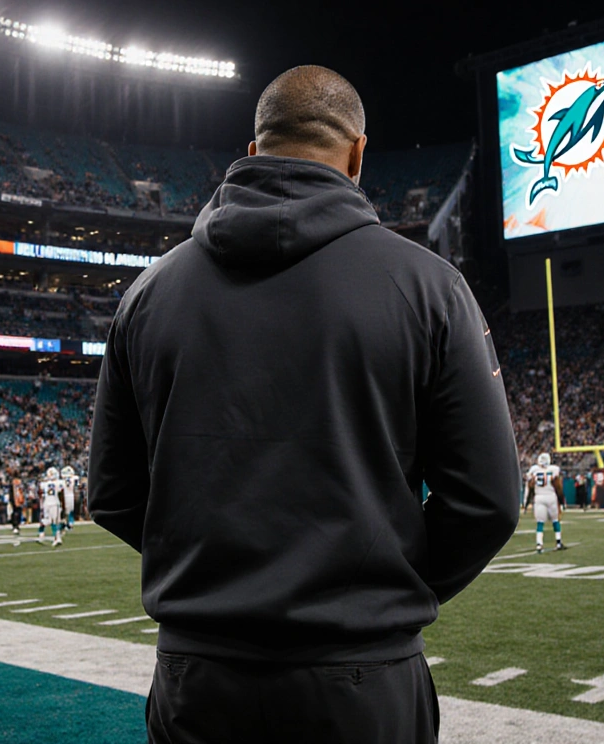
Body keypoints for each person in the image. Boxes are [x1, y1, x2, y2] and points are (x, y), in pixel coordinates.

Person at [88, 65, 519, 744]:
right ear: (357, 153)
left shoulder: (148, 295)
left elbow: (113, 493)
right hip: (361, 680)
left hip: (198, 679)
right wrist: (378, 585)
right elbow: (488, 497)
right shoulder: (430, 286)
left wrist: (218, 566)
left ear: (253, 151)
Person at [524, 453, 565, 553]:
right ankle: (558, 541)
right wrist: (562, 501)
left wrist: (526, 503)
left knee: (540, 523)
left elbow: (530, 487)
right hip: (551, 496)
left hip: (539, 497)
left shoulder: (534, 470)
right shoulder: (553, 469)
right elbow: (558, 487)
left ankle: (539, 544)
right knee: (555, 520)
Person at [37, 467, 65, 547]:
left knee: (48, 520)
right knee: (54, 521)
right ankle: (57, 538)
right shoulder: (59, 483)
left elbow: (40, 491)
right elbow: (61, 493)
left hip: (47, 503)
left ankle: (42, 534)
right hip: (54, 503)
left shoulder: (44, 484)